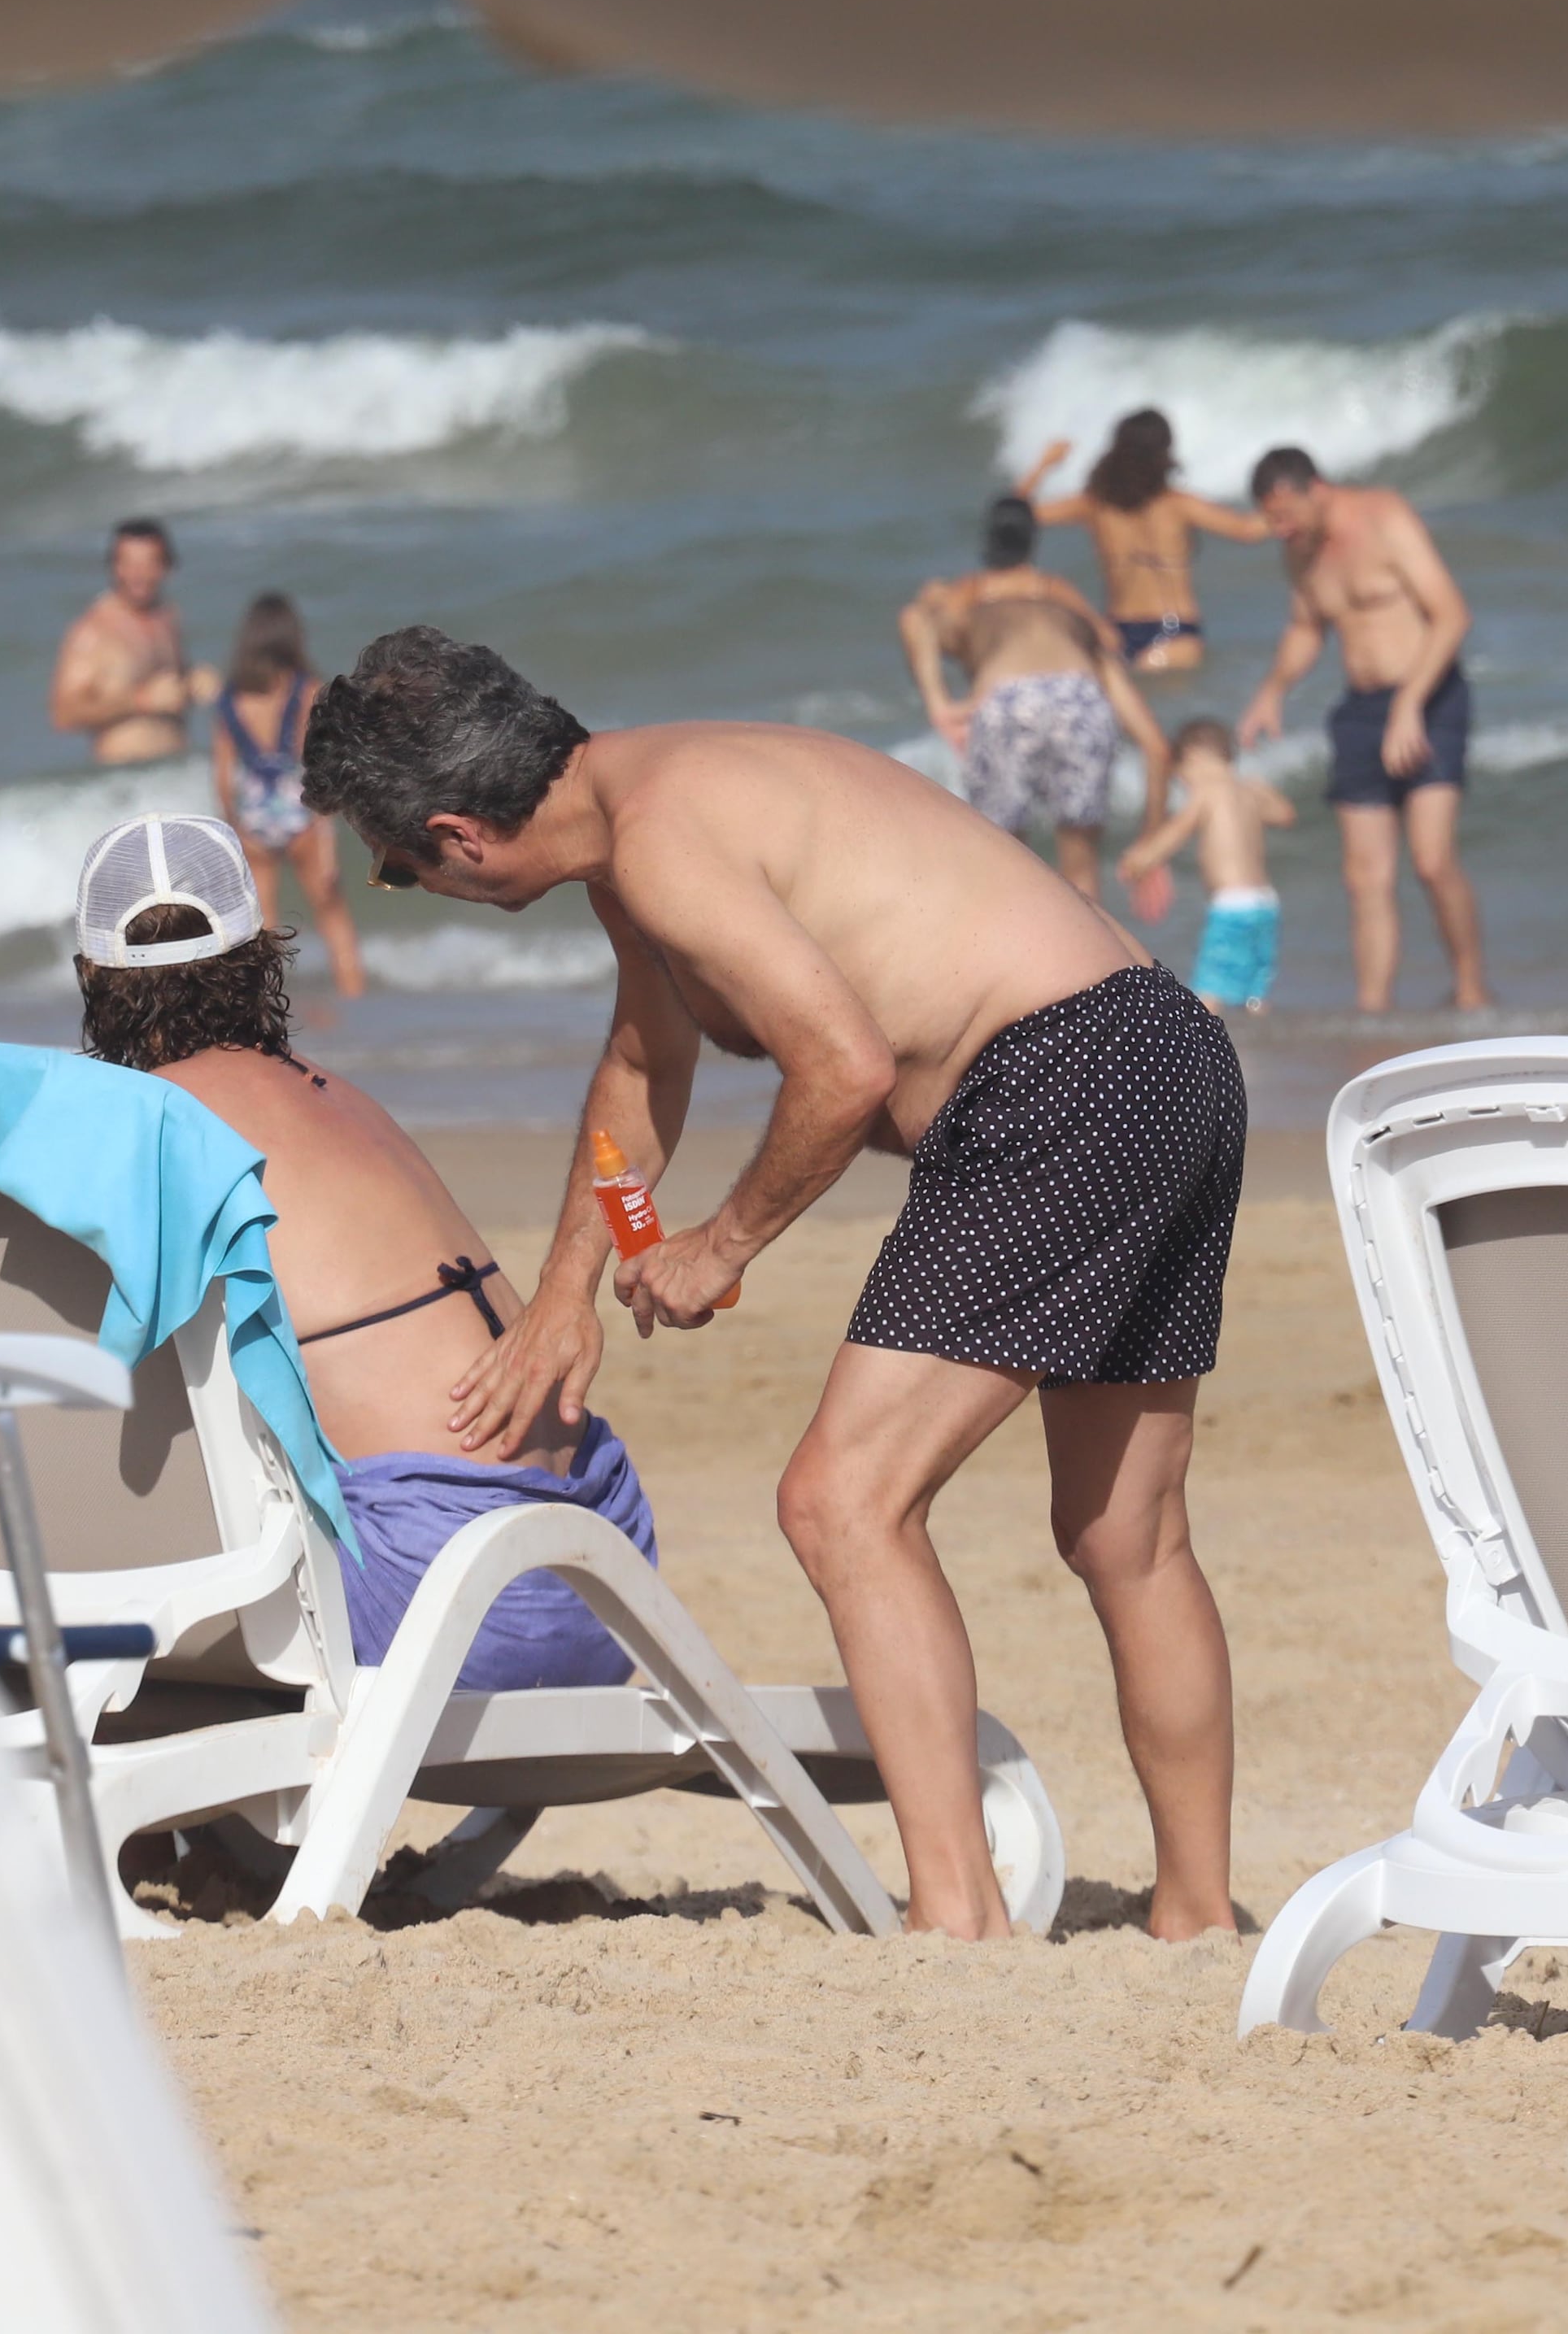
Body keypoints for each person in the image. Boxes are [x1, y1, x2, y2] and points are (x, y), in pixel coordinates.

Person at [301, 629, 1244, 1941]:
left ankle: (957, 1915)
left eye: (394, 865)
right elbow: (643, 1071)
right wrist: (584, 1275)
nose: (399, 883)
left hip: (1059, 1079)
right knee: (1124, 1535)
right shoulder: (646, 808)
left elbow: (843, 1067)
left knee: (842, 1499)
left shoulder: (662, 841)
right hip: (1166, 1052)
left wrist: (722, 1242)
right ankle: (1198, 1918)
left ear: (460, 834)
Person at [70, 814, 653, 1689]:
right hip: (607, 1570)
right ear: (259, 949)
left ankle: (158, 1829)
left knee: (114, 1537)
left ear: (90, 976)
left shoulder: (145, 1120)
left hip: (448, 1599)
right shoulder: (340, 1097)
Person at [1238, 446, 1491, 1012]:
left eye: (1284, 515)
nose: (1279, 530)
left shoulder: (1385, 517)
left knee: (1430, 859)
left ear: (1316, 489)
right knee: (1365, 878)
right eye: (1270, 519)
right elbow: (1307, 626)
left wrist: (1410, 704)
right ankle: (1372, 1010)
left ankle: (1471, 988)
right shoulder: (1300, 550)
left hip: (1430, 697)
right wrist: (1272, 689)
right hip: (1359, 712)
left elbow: (1452, 614)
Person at [899, 496, 1176, 916]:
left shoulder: (969, 597)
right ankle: (1096, 978)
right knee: (1082, 878)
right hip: (1081, 698)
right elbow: (1156, 746)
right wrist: (1152, 843)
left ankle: (1021, 975)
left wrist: (940, 704)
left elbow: (913, 619)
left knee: (1006, 870)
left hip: (1008, 701)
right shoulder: (1065, 609)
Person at [1019, 407, 1270, 673]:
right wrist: (1288, 506)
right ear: (1164, 454)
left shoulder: (1095, 505)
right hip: (1176, 632)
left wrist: (1045, 464)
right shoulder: (1178, 505)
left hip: (1116, 635)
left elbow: (1015, 515)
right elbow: (1248, 530)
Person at [209, 593, 368, 998]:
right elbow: (317, 760)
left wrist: (235, 825)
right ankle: (356, 999)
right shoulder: (304, 689)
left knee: (264, 927)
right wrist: (326, 829)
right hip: (300, 812)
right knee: (331, 914)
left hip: (253, 817)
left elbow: (222, 773)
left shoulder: (230, 697)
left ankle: (264, 1009)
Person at [1123, 719, 1295, 1013]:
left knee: (1210, 990)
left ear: (1195, 757)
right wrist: (1256, 789)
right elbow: (1286, 815)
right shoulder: (1248, 789)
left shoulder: (1207, 792)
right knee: (1255, 988)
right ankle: (1261, 1042)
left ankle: (1206, 1051)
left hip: (1231, 907)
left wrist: (1141, 860)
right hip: (1265, 904)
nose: (1185, 783)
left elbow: (1177, 832)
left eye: (1183, 776)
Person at [49, 518, 198, 765]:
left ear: (167, 567)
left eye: (149, 563)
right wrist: (140, 701)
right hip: (125, 784)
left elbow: (170, 691)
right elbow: (64, 715)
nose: (138, 574)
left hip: (175, 777)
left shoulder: (168, 617)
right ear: (114, 567)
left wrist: (192, 684)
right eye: (128, 564)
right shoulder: (93, 630)